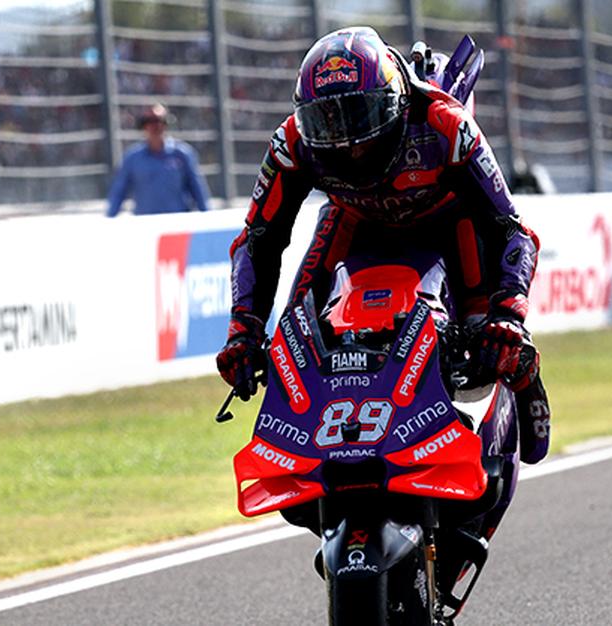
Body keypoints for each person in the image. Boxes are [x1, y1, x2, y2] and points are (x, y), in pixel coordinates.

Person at [215, 27, 550, 465]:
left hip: (448, 222)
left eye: (358, 116)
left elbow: (511, 229)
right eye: (326, 121)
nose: (345, 142)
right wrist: (244, 330)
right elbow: (257, 239)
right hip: (355, 222)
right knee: (294, 340)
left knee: (487, 334)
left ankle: (524, 376)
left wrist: (509, 315)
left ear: (394, 102)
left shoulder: (444, 123)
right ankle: (308, 454)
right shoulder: (291, 143)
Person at [106, 103, 212, 217]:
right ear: (143, 125)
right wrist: (109, 220)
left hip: (177, 225)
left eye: (159, 120)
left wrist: (207, 218)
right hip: (146, 225)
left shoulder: (182, 154)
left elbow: (199, 191)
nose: (155, 126)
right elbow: (119, 192)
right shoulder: (132, 158)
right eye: (150, 121)